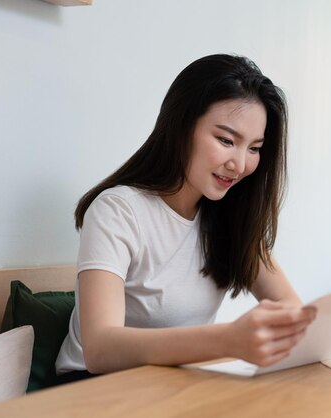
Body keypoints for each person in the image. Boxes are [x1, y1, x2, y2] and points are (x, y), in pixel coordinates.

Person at [55, 54, 316, 383]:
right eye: (226, 140)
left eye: (254, 148)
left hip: (172, 384)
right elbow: (100, 348)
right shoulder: (118, 210)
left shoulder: (228, 216)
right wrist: (228, 339)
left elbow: (291, 310)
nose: (239, 164)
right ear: (182, 126)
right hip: (90, 389)